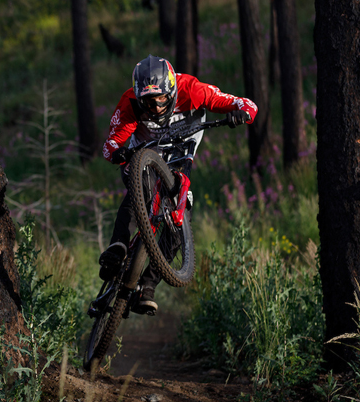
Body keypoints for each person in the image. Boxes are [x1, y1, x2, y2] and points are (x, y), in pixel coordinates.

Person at [99, 54, 258, 315]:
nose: (156, 106)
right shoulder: (129, 102)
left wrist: (240, 115)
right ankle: (118, 246)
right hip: (142, 158)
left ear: (172, 90)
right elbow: (110, 146)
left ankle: (147, 286)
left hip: (179, 158)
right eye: (148, 102)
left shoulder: (193, 90)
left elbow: (246, 104)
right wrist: (118, 153)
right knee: (143, 183)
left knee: (178, 224)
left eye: (161, 98)